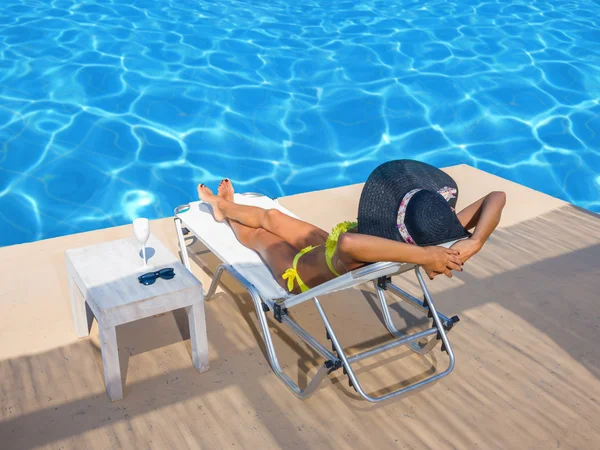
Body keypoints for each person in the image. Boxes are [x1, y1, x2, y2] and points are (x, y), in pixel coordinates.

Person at [197, 160, 506, 294]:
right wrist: (475, 241)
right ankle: (223, 206)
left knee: (260, 235)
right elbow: (496, 197)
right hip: (323, 247)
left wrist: (428, 258)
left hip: (298, 273)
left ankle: (223, 213)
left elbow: (347, 243)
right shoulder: (432, 230)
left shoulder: (367, 247)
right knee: (273, 218)